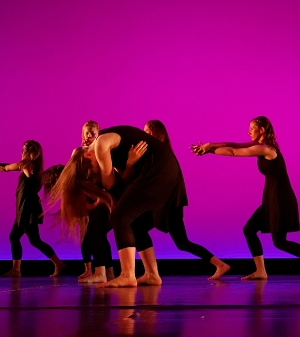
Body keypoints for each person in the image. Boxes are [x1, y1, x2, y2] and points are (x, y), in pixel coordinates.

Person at [191, 116, 300, 280]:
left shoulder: (267, 149)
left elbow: (233, 152)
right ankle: (261, 271)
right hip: (271, 198)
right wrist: (210, 145)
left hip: (280, 198)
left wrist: (209, 150)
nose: (248, 131)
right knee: (249, 230)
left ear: (261, 130)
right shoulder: (261, 146)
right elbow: (235, 145)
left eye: (251, 128)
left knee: (279, 242)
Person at [50, 126, 187, 287]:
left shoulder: (101, 145)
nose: (96, 174)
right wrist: (129, 164)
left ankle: (127, 275)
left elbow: (110, 187)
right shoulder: (107, 151)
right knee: (134, 223)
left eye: (92, 170)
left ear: (88, 154)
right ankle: (152, 274)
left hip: (160, 169)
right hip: (164, 169)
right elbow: (120, 183)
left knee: (118, 217)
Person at [133, 120, 229, 280]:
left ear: (157, 133)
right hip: (164, 205)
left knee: (181, 242)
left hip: (169, 206)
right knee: (139, 229)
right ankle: (150, 272)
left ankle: (220, 264)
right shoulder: (160, 152)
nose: (144, 134)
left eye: (147, 131)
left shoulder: (161, 153)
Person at [1, 140, 66, 277]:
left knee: (34, 240)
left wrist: (5, 167)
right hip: (24, 208)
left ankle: (58, 263)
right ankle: (16, 270)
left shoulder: (27, 165)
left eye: (25, 149)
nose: (21, 152)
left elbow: (6, 168)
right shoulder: (33, 168)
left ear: (33, 153)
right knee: (15, 237)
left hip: (27, 209)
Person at [75, 120, 115, 283]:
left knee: (95, 233)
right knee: (95, 235)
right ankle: (107, 273)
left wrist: (100, 199)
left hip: (103, 199)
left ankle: (101, 272)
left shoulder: (102, 151)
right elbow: (74, 177)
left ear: (98, 135)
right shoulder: (77, 152)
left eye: (93, 133)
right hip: (87, 200)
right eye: (87, 133)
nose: (89, 136)